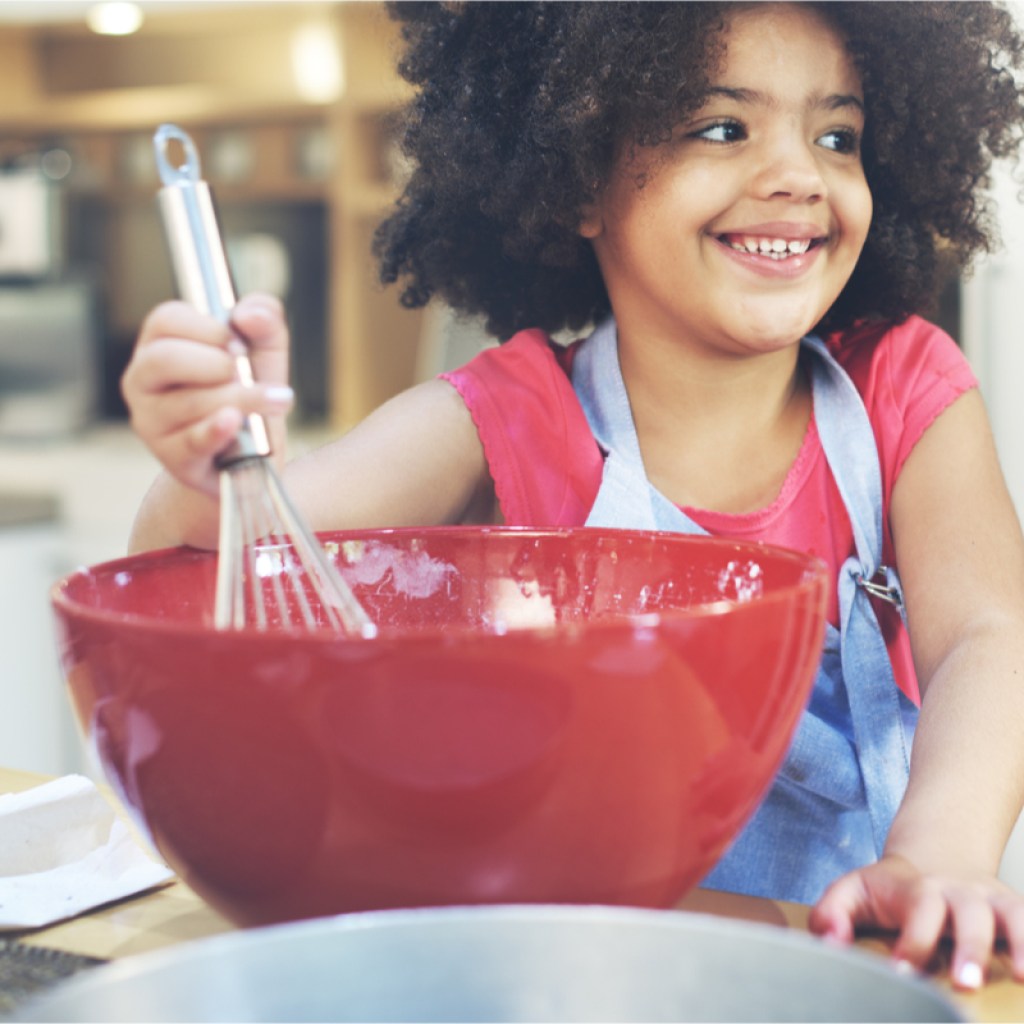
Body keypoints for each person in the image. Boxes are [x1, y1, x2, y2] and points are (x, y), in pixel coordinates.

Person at [122, 1, 1024, 990]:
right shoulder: (505, 416)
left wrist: (938, 855)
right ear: (579, 176)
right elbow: (234, 553)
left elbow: (988, 633)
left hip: (852, 966)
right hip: (580, 980)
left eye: (836, 135)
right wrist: (213, 463)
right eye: (722, 127)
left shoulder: (903, 388)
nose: (797, 175)